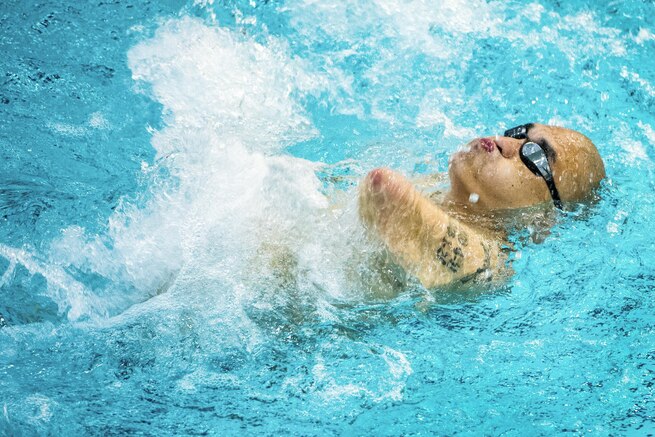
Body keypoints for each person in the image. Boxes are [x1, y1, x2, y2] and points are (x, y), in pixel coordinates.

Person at [358, 123, 605, 288]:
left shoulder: (490, 265)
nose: (505, 142)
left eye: (534, 154)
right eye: (518, 132)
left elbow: (385, 192)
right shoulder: (429, 187)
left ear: (543, 223)